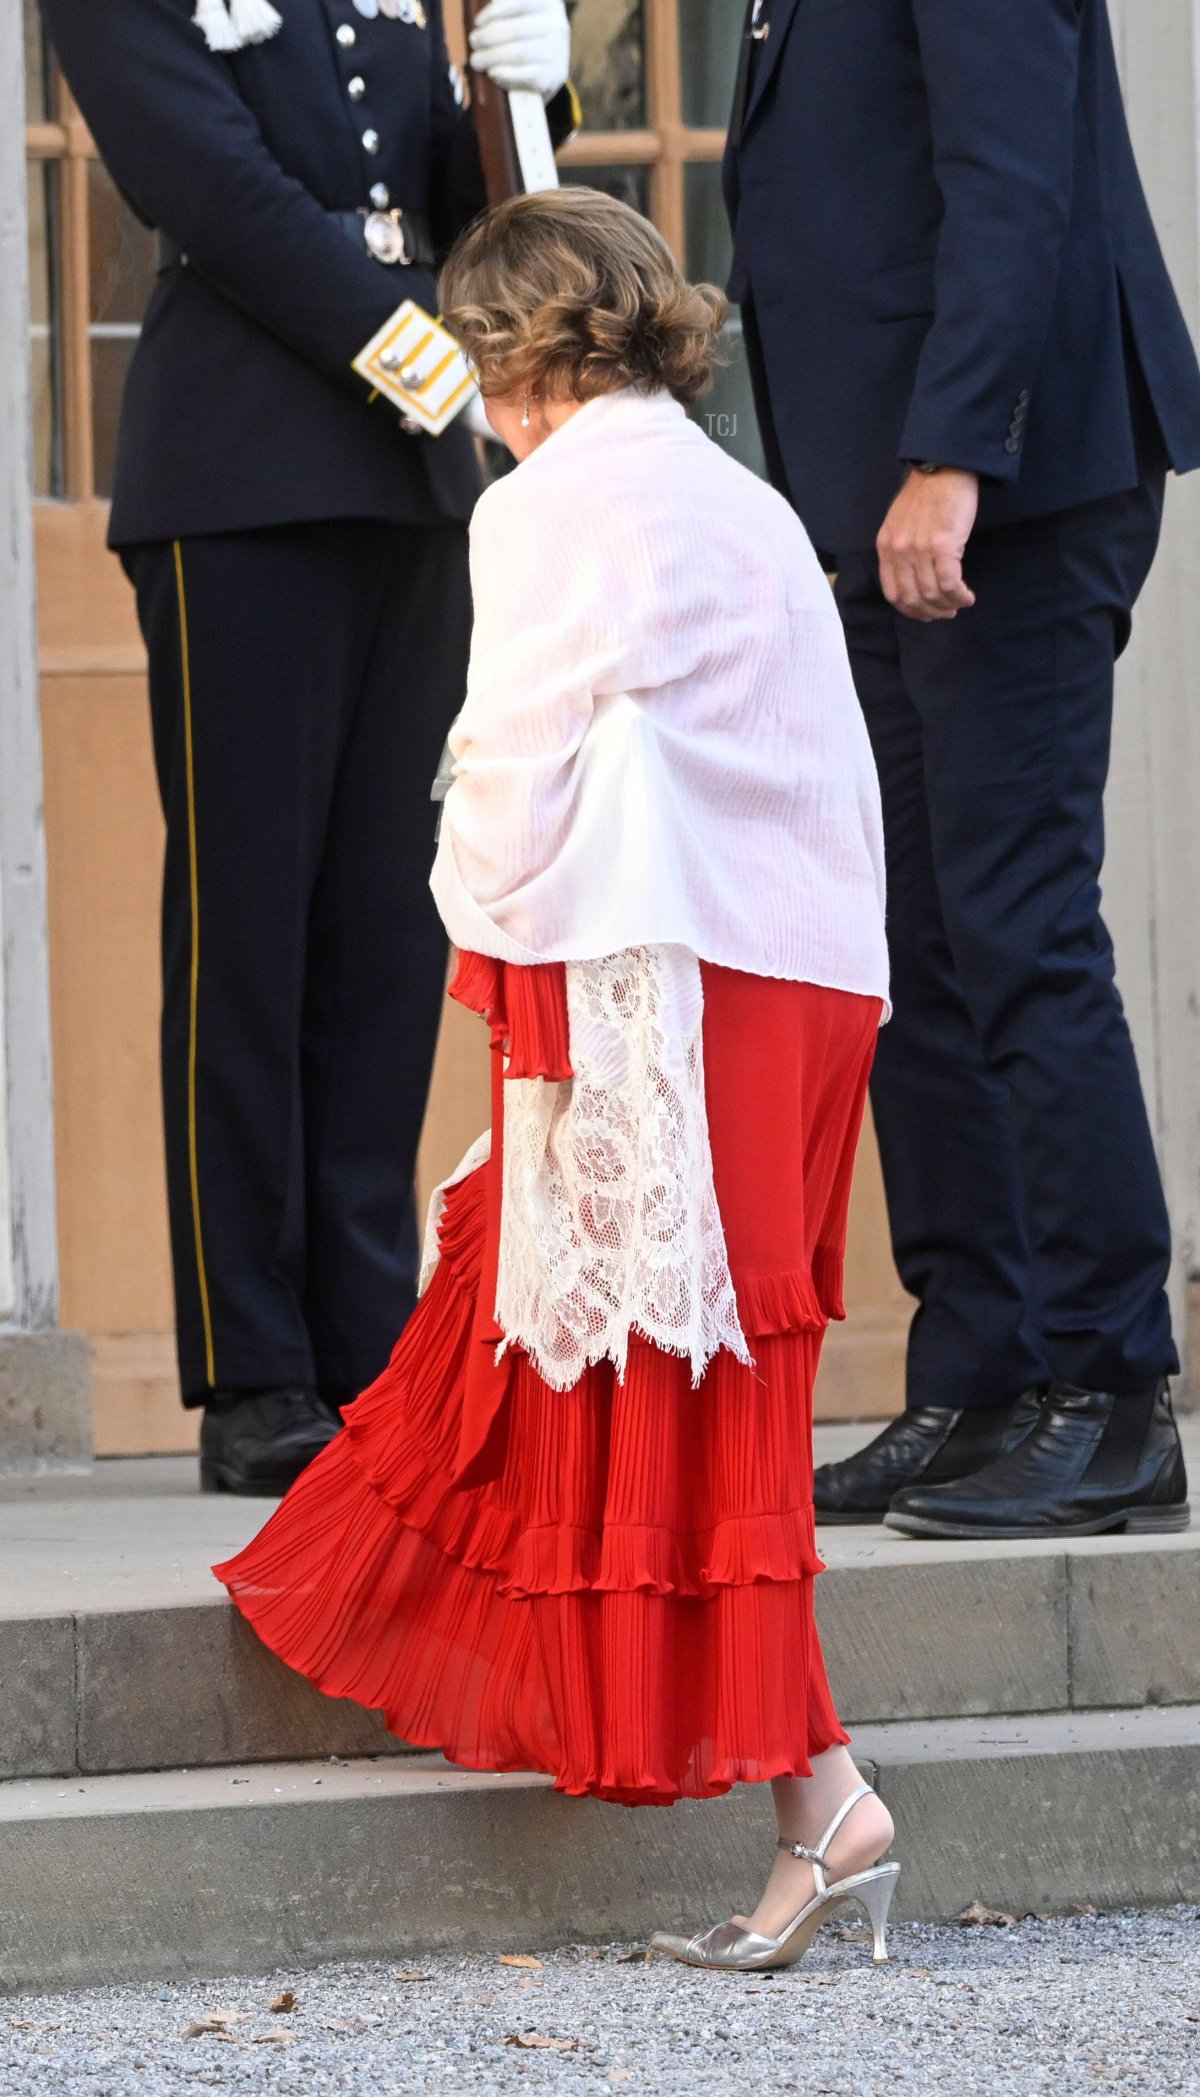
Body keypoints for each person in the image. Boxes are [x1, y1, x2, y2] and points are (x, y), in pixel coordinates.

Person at [216, 187, 900, 1972]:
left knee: (633, 1364)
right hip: (807, 969)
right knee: (714, 1379)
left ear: (521, 356)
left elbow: (510, 771)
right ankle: (823, 1799)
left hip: (670, 969)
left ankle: (824, 1797)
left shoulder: (544, 506)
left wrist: (468, 913)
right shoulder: (740, 496)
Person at [39, 0, 578, 1496]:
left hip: (412, 484)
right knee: (249, 932)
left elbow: (457, 203)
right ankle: (255, 1364)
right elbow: (207, 183)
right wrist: (421, 359)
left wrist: (529, 105)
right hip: (243, 470)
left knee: (385, 940)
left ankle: (363, 1342)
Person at [723, 0, 1200, 1537]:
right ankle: (984, 1371)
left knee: (1017, 921)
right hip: (885, 495)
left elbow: (1010, 170)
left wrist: (953, 454)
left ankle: (1113, 1388)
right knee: (915, 942)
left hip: (1002, 486)